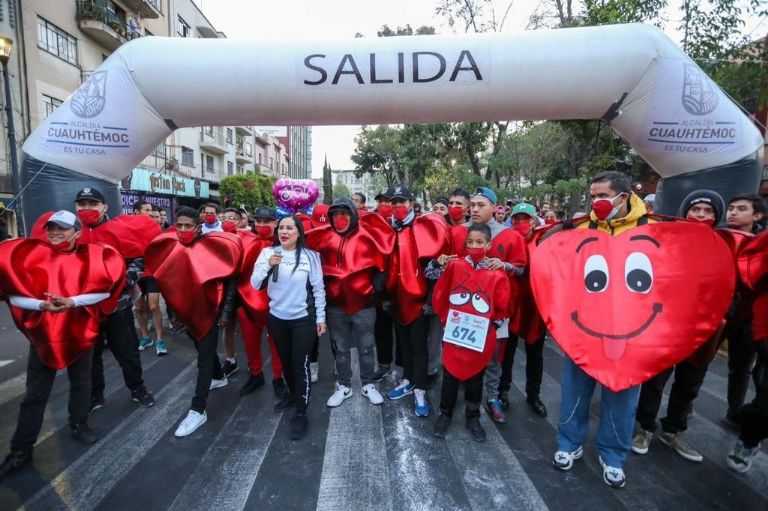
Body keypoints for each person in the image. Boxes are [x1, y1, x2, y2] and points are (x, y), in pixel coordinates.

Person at [0, 211, 125, 480]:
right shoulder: (32, 256)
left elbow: (106, 290)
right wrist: (41, 305)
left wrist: (73, 301)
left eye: (63, 229)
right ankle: (21, 449)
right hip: (44, 336)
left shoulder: (91, 257)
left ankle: (79, 423)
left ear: (77, 233)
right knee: (35, 393)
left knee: (81, 382)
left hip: (80, 332)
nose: (55, 232)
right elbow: (14, 295)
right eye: (51, 228)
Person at [549, 171, 651, 489]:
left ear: (624, 196)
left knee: (621, 397)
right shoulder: (582, 228)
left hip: (630, 332)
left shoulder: (653, 230)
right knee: (575, 389)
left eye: (602, 195)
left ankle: (613, 454)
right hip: (586, 329)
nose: (596, 202)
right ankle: (569, 442)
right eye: (593, 196)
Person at [632, 190, 727, 463]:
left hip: (704, 328)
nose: (700, 216)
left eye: (707, 211)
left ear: (716, 216)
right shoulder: (669, 241)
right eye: (695, 210)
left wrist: (720, 315)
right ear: (685, 213)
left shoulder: (724, 244)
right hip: (668, 325)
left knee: (689, 383)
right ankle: (645, 428)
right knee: (655, 379)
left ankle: (672, 430)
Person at [145, 207, 241, 437]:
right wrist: (176, 315)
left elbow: (229, 282)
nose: (184, 230)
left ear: (198, 228)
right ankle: (218, 378)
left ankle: (198, 410)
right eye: (179, 225)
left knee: (204, 358)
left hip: (210, 312)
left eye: (188, 226)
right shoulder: (170, 246)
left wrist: (225, 313)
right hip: (187, 315)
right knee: (201, 349)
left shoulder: (214, 246)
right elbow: (167, 281)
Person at [446, 187, 527, 424]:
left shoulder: (510, 235)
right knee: (461, 350)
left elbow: (522, 268)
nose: (475, 209)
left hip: (495, 308)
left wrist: (505, 266)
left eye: (481, 205)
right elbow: (448, 265)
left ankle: (492, 398)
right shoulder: (458, 232)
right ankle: (460, 398)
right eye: (473, 205)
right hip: (464, 309)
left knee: (493, 357)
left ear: (494, 207)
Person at [72, 187, 157, 411]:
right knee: (91, 355)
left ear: (104, 207)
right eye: (82, 204)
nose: (87, 209)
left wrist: (125, 278)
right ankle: (96, 395)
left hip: (117, 305)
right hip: (84, 308)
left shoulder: (119, 230)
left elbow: (139, 259)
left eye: (92, 204)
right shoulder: (71, 232)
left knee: (127, 351)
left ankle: (137, 388)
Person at [306, 197, 394, 408]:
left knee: (366, 346)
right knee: (340, 348)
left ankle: (368, 384)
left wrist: (374, 289)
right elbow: (313, 266)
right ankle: (343, 385)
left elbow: (382, 266)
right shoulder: (324, 238)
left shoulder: (368, 236)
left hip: (364, 305)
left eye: (345, 214)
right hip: (335, 306)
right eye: (336, 214)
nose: (340, 218)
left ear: (353, 214)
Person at [429, 223, 511, 442]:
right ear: (465, 243)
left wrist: (491, 327)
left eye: (480, 242)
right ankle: (445, 413)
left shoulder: (496, 274)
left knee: (476, 377)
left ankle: (472, 416)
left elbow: (502, 305)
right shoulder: (455, 267)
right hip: (454, 332)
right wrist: (447, 321)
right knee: (450, 376)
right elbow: (441, 294)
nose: (474, 246)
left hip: (480, 335)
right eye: (471, 242)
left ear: (488, 244)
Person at [251, 215, 326, 440]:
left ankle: (301, 413)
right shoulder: (267, 254)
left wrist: (320, 318)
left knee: (300, 365)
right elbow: (255, 283)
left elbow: (319, 288)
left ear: (299, 232)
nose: (284, 231)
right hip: (277, 319)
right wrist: (268, 265)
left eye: (290, 228)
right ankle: (293, 395)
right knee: (285, 362)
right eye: (281, 227)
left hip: (303, 320)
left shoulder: (311, 257)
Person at [385, 186, 450, 417]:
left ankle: (420, 388)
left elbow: (435, 267)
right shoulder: (389, 228)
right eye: (393, 202)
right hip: (397, 299)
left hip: (420, 301)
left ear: (411, 203)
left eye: (401, 201)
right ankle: (408, 380)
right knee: (404, 345)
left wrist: (431, 301)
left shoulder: (425, 228)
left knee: (420, 346)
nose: (396, 206)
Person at [498, 202, 548, 418]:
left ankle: (533, 394)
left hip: (536, 306)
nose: (520, 222)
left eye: (525, 219)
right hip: (512, 304)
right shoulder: (507, 239)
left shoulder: (543, 241)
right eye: (516, 218)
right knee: (506, 353)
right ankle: (503, 391)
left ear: (534, 220)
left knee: (535, 354)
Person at [723, 194, 766, 426]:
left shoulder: (763, 243)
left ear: (757, 215)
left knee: (740, 368)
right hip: (717, 311)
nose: (734, 213)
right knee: (695, 366)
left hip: (748, 317)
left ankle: (735, 412)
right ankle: (684, 409)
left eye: (741, 209)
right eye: (731, 208)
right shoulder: (718, 235)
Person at [237, 206, 286, 397]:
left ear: (275, 223)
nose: (262, 225)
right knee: (250, 342)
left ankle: (278, 378)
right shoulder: (244, 242)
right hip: (247, 301)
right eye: (259, 221)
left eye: (267, 222)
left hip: (276, 303)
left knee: (277, 343)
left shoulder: (285, 243)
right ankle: (255, 374)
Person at [133, 202, 167, 355]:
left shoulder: (156, 229)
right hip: (135, 276)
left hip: (152, 274)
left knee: (153, 306)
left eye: (151, 211)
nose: (150, 213)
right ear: (136, 212)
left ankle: (160, 339)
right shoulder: (129, 230)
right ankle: (146, 337)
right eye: (147, 210)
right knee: (140, 307)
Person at [220, 208, 245, 376]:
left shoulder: (248, 239)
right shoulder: (216, 239)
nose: (228, 221)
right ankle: (230, 360)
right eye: (225, 218)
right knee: (228, 327)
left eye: (232, 218)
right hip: (226, 291)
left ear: (240, 221)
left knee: (250, 329)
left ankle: (255, 365)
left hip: (245, 291)